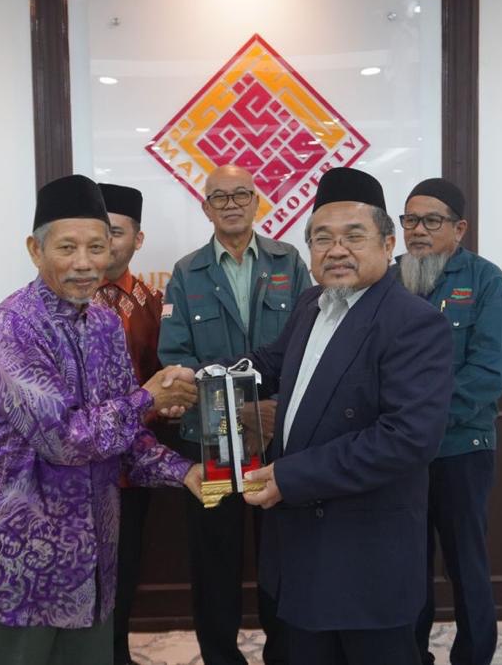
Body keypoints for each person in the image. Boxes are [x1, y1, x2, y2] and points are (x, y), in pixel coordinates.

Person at [0, 174, 203, 665]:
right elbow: (65, 438)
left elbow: (124, 436)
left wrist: (185, 472)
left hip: (91, 557)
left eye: (97, 246)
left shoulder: (106, 324)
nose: (85, 262)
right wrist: (147, 398)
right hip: (20, 556)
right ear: (35, 250)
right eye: (67, 247)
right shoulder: (15, 324)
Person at [241, 166, 454, 665]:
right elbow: (269, 364)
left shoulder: (414, 323)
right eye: (322, 238)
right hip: (300, 545)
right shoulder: (311, 303)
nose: (336, 250)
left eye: (353, 236)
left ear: (387, 243)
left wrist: (291, 476)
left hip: (365, 557)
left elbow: (405, 439)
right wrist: (202, 380)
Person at [158, 164, 310, 665]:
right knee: (214, 559)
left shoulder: (290, 262)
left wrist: (273, 411)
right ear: (205, 208)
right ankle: (221, 658)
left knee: (282, 555)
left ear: (257, 201)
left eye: (241, 194)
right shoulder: (187, 272)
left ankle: (284, 656)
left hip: (279, 435)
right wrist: (241, 410)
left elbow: (309, 345)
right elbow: (175, 358)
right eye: (219, 197)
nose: (231, 204)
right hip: (211, 436)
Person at [397, 177, 502, 665]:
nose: (418, 231)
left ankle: (473, 656)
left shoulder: (486, 280)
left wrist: (425, 423)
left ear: (459, 228)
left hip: (461, 449)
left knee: (466, 564)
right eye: (410, 220)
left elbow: (490, 371)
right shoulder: (388, 278)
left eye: (432, 221)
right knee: (406, 565)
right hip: (398, 452)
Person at [93, 183, 166, 665]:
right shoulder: (60, 299)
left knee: (125, 566)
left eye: (116, 232)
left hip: (131, 464)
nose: (105, 243)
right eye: (98, 232)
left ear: (137, 240)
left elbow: (162, 377)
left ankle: (116, 651)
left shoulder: (151, 303)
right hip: (72, 465)